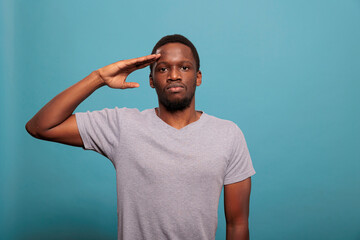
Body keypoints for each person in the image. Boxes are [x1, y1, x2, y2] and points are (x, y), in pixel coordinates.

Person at [26, 34, 256, 240]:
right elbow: (40, 127)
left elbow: (237, 224)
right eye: (163, 68)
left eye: (184, 68)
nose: (174, 75)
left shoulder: (228, 134)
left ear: (198, 77)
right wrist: (98, 78)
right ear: (151, 80)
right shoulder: (122, 126)